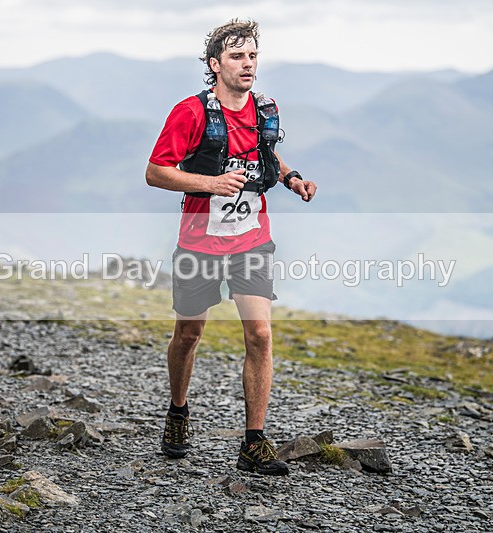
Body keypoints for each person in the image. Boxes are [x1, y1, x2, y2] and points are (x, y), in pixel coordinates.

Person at [145, 19, 316, 476]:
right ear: (214, 64)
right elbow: (156, 171)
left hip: (252, 240)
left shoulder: (265, 108)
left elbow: (265, 153)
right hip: (199, 241)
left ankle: (254, 442)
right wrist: (210, 183)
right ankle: (178, 412)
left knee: (260, 335)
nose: (248, 64)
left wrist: (291, 177)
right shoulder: (191, 112)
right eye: (238, 56)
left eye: (253, 56)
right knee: (189, 335)